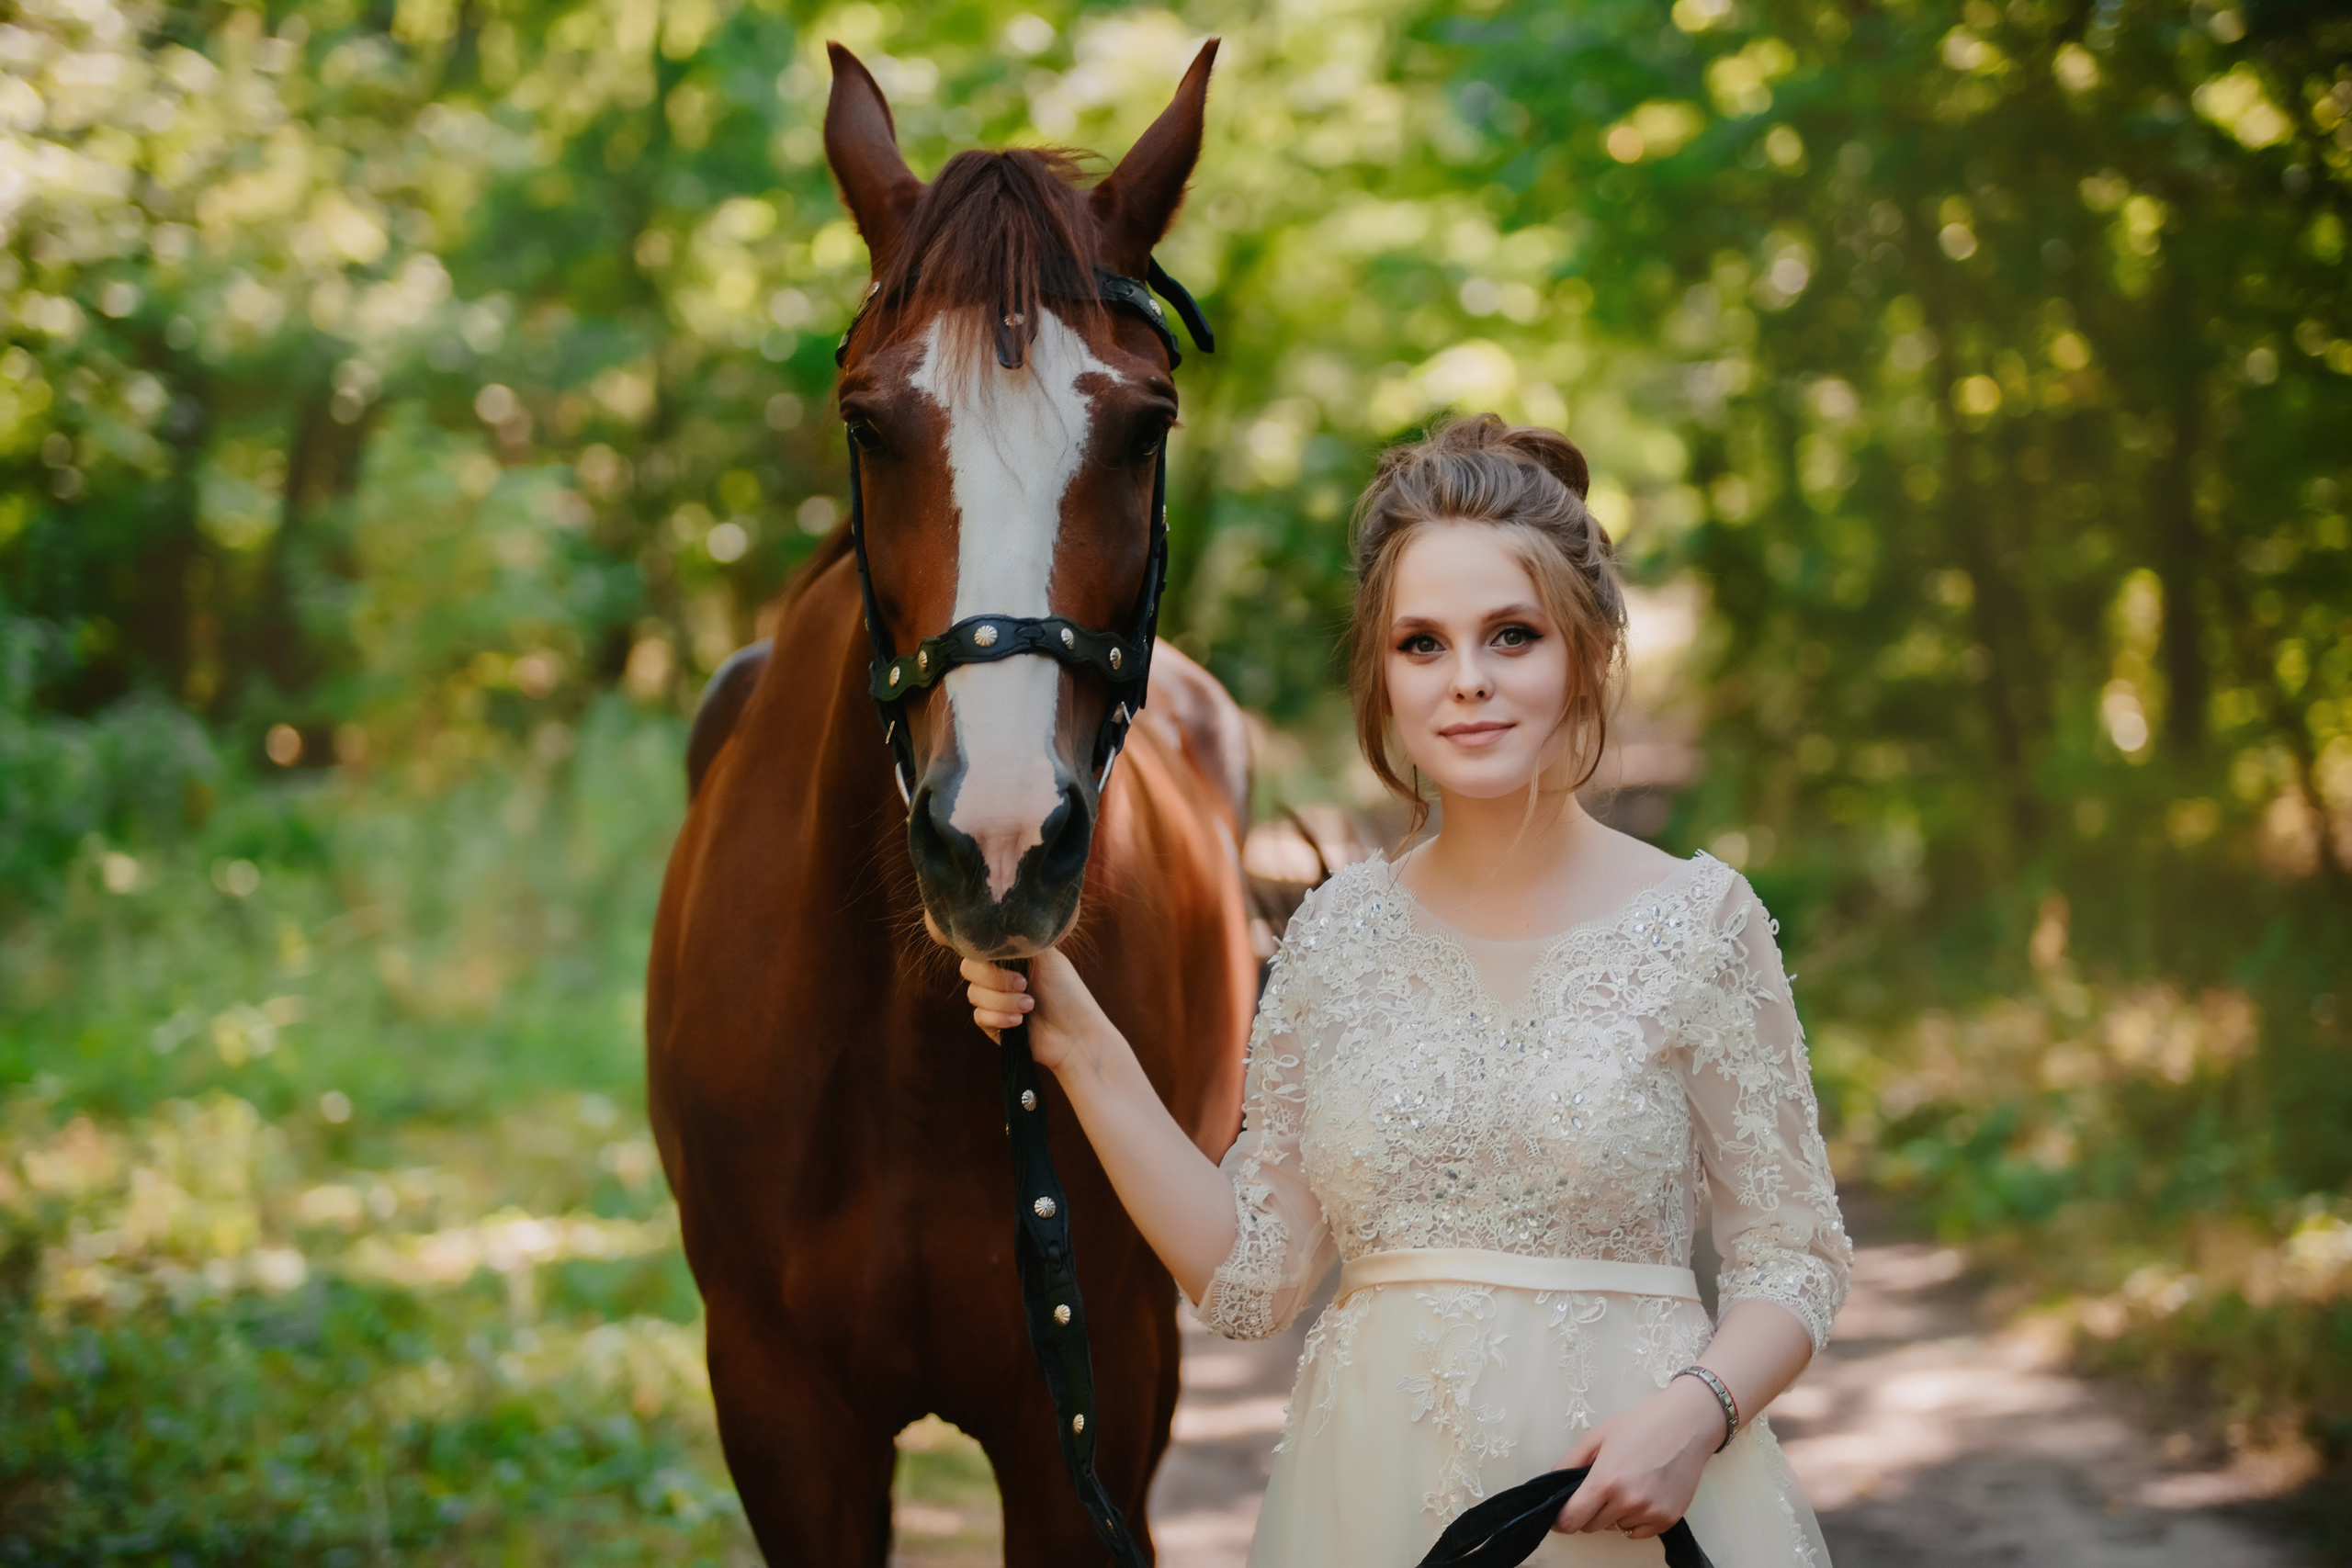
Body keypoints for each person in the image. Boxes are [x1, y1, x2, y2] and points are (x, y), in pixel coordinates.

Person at [962, 414, 1851, 1565]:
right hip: (1373, 1508)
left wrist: (1696, 1415)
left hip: (1631, 1502)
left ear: (1584, 650)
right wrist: (1082, 1047)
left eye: (1512, 636)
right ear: (1381, 677)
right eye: (1421, 644)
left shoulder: (1701, 922)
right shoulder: (1337, 936)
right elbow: (1248, 1282)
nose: (1466, 682)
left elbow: (1794, 1257)